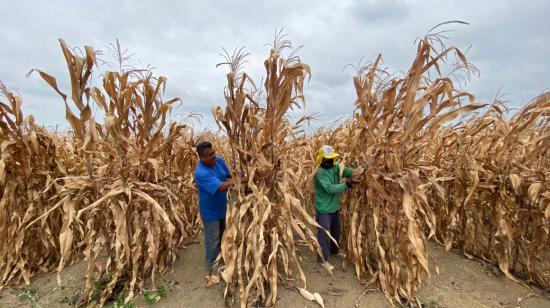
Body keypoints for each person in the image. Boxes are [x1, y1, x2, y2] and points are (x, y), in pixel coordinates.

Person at [194, 141, 234, 274]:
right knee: (213, 239)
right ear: (202, 158)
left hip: (222, 207)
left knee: (222, 235)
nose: (214, 156)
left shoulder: (219, 161)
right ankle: (211, 265)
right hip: (210, 212)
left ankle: (220, 258)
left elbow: (229, 176)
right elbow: (222, 187)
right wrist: (243, 180)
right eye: (210, 155)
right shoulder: (201, 173)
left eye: (213, 153)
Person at [314, 145, 358, 264]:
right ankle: (322, 258)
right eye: (326, 159)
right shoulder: (321, 173)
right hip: (324, 208)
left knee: (335, 231)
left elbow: (344, 171)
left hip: (334, 207)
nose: (328, 161)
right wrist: (347, 184)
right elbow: (330, 188)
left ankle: (334, 251)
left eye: (330, 158)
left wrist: (355, 171)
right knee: (324, 234)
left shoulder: (335, 166)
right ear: (321, 159)